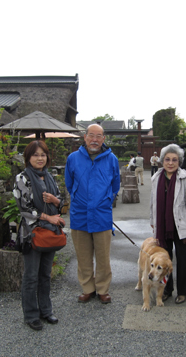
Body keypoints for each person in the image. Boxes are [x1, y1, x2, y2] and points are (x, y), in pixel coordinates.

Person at [13, 140, 66, 331]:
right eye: (35, 155)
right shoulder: (22, 178)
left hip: (50, 233)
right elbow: (24, 208)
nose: (40, 158)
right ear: (28, 157)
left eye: (43, 154)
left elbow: (61, 201)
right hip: (32, 233)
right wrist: (49, 217)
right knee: (31, 276)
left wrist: (55, 200)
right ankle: (31, 315)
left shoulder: (49, 176)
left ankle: (46, 310)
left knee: (45, 274)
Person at [65, 124, 120, 304]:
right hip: (79, 214)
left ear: (104, 139)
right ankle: (88, 288)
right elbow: (69, 183)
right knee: (83, 256)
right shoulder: (73, 158)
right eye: (91, 136)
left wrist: (104, 199)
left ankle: (103, 289)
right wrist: (79, 197)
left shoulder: (111, 159)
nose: (95, 140)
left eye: (98, 136)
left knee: (103, 257)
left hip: (102, 215)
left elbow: (115, 185)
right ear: (85, 137)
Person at [150, 144, 186, 304]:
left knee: (182, 259)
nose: (170, 163)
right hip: (163, 225)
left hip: (180, 225)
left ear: (179, 161)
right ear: (162, 161)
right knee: (164, 260)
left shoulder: (185, 178)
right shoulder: (156, 178)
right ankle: (167, 289)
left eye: (174, 160)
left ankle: (183, 291)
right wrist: (153, 221)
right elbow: (153, 203)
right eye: (167, 159)